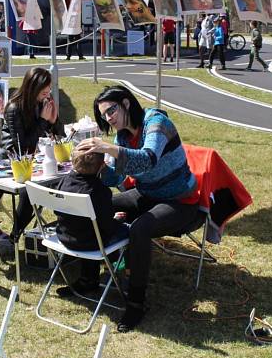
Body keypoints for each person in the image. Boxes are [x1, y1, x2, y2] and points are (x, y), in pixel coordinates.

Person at [79, 85, 199, 332]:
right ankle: (89, 277)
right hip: (148, 194)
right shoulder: (122, 136)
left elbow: (148, 158)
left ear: (125, 103)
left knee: (140, 229)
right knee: (96, 206)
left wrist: (107, 148)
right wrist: (94, 165)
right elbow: (117, 179)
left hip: (181, 201)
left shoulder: (157, 122)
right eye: (104, 116)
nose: (108, 118)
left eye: (111, 111)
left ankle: (135, 303)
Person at [0, 68, 62, 258]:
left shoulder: (41, 103)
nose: (48, 94)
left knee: (32, 193)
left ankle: (12, 237)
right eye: (44, 90)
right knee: (19, 189)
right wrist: (43, 122)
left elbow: (59, 135)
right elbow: (22, 145)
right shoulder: (14, 108)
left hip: (34, 161)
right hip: (11, 160)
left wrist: (52, 121)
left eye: (49, 90)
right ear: (32, 88)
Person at [53, 146, 127, 297]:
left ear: (73, 163)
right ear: (101, 167)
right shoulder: (99, 191)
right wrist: (117, 221)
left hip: (64, 237)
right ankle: (126, 274)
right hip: (90, 243)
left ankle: (88, 280)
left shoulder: (63, 182)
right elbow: (107, 225)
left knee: (87, 227)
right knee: (132, 230)